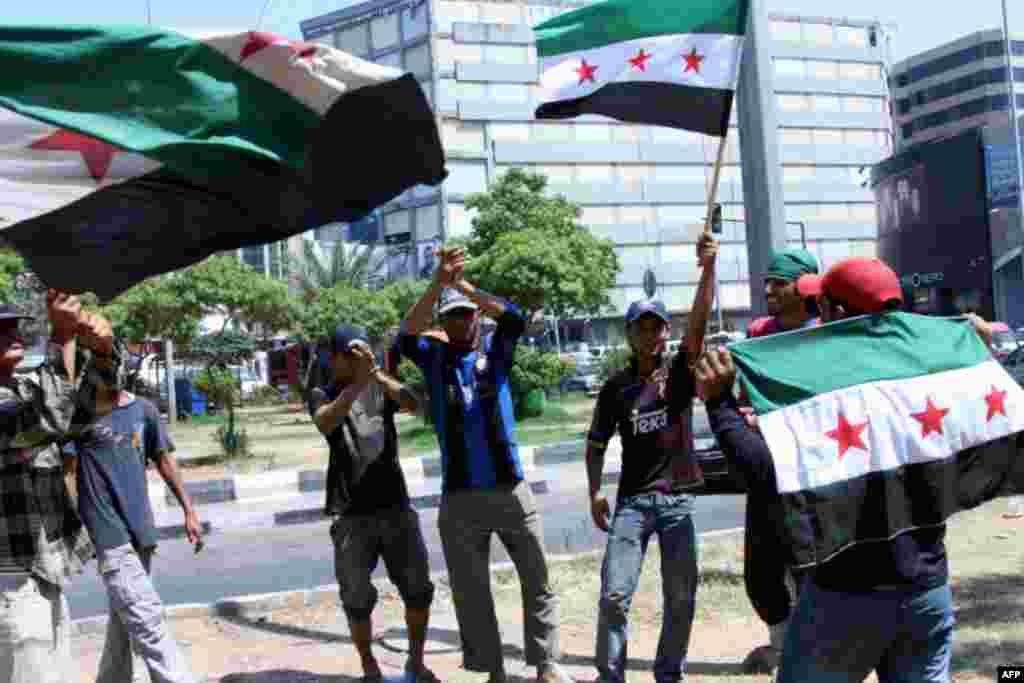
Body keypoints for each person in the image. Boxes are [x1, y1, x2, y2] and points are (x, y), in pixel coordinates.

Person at [696, 258, 957, 683]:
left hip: (848, 592)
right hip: (928, 588)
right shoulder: (931, 374)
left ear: (834, 314)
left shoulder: (835, 385)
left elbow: (764, 472)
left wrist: (719, 405)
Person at [398, 248, 571, 683]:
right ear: (445, 323)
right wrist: (438, 284)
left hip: (511, 489)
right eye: (454, 316)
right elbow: (405, 334)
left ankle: (546, 665)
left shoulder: (497, 350)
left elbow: (513, 316)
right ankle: (493, 671)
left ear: (478, 318)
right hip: (459, 499)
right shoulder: (434, 360)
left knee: (537, 578)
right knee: (471, 593)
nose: (463, 322)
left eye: (469, 315)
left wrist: (465, 287)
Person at [584, 233, 718, 683]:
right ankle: (611, 676)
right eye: (642, 326)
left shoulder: (680, 373)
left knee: (681, 597)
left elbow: (698, 325)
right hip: (632, 504)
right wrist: (594, 491)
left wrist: (709, 271)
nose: (650, 333)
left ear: (665, 333)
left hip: (677, 500)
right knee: (614, 595)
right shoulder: (615, 387)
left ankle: (668, 674)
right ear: (630, 334)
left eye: (657, 326)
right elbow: (596, 442)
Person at [65, 341, 202, 683]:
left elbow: (164, 459)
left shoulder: (144, 410)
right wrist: (75, 524)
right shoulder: (77, 418)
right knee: (148, 619)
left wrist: (189, 509)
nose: (107, 368)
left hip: (141, 529)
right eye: (97, 363)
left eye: (110, 360)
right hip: (107, 533)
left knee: (125, 619)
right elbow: (68, 474)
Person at [309, 324, 438, 683]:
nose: (335, 362)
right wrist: (356, 384)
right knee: (356, 595)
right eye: (338, 356)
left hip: (395, 506)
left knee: (417, 588)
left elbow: (414, 404)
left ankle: (416, 661)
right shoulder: (324, 390)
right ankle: (369, 667)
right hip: (349, 512)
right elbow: (324, 422)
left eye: (345, 356)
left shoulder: (381, 386)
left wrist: (377, 374)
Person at [0, 291, 113, 683]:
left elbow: (82, 417)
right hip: (9, 576)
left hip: (41, 569)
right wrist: (63, 337)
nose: (12, 332)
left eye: (12, 324)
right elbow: (46, 419)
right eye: (0, 329)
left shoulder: (21, 390)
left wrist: (100, 354)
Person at [740, 248, 821, 674]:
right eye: (767, 281)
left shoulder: (830, 331)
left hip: (816, 473)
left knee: (811, 567)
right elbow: (742, 394)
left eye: (779, 282)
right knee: (761, 573)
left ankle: (811, 654)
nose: (768, 289)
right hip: (768, 471)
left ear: (804, 286)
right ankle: (783, 645)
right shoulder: (758, 334)